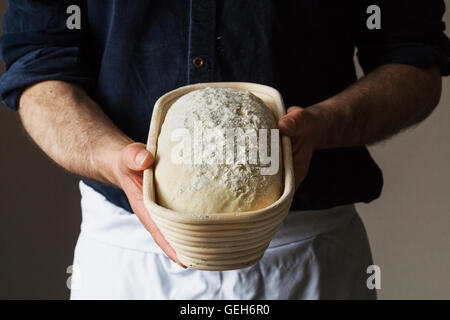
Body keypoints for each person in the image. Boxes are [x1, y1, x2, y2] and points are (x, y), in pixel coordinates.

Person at [0, 0, 448, 300]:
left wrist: (323, 124)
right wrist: (111, 159)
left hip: (305, 260)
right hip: (129, 257)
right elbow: (38, 61)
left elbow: (413, 59)